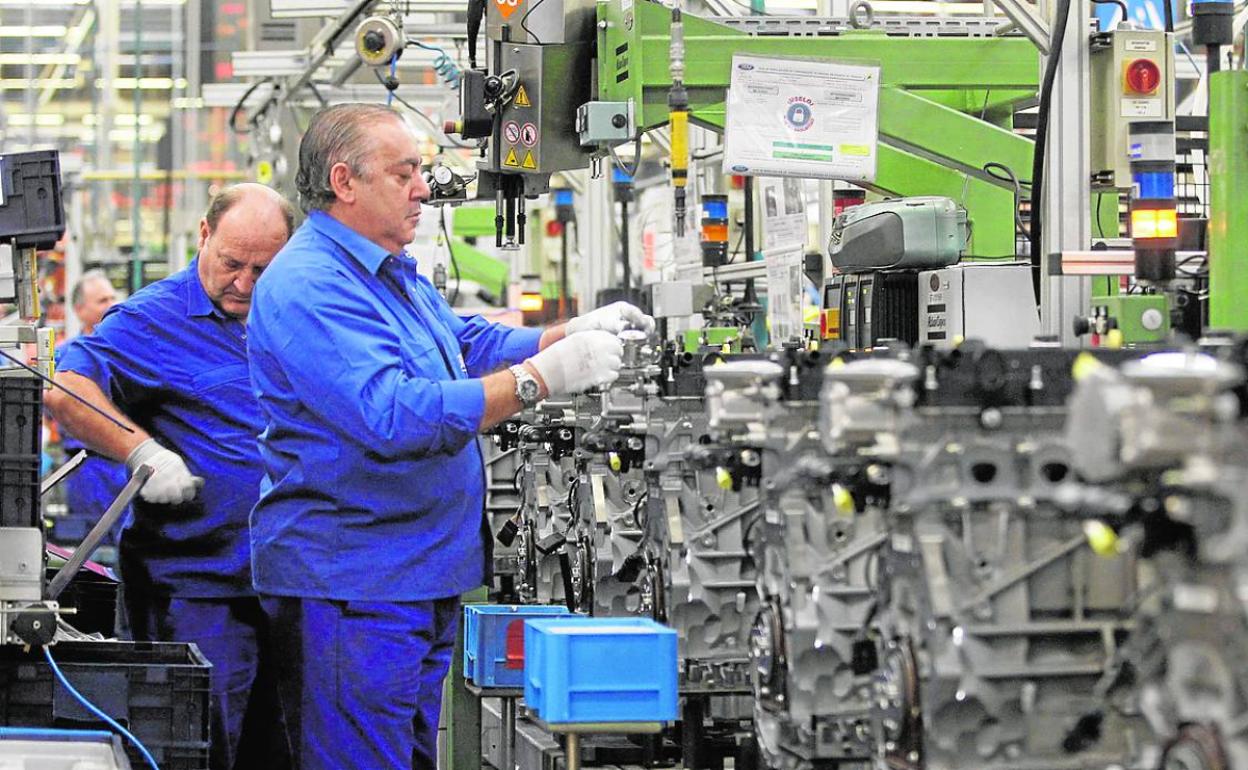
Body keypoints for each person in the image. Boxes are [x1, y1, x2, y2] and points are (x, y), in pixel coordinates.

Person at [246, 102, 653, 770]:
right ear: (345, 182)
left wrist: (562, 336)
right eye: (404, 172)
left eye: (421, 171)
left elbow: (460, 341)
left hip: (410, 574)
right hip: (355, 586)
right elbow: (393, 415)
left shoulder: (383, 268)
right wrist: (537, 379)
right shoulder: (312, 283)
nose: (422, 189)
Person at [44, 184, 297, 770]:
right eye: (231, 263)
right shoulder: (152, 320)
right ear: (203, 236)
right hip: (198, 595)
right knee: (202, 751)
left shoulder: (296, 316)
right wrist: (142, 452)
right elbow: (66, 385)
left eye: (263, 268)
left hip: (293, 587)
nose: (244, 282)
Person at [58, 271, 130, 551]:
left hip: (126, 465)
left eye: (113, 298)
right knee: (92, 549)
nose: (111, 305)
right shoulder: (65, 356)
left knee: (130, 546)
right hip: (87, 468)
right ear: (80, 310)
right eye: (102, 300)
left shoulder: (128, 353)